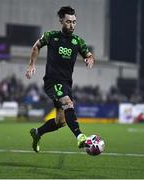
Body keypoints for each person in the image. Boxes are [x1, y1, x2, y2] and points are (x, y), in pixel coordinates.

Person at [25, 6, 95, 153]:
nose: (72, 25)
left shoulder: (78, 41)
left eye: (74, 22)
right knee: (68, 103)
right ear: (61, 21)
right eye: (68, 21)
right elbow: (36, 46)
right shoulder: (51, 36)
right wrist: (31, 64)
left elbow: (89, 55)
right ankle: (80, 136)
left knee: (60, 122)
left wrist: (90, 59)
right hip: (52, 81)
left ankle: (37, 133)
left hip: (67, 83)